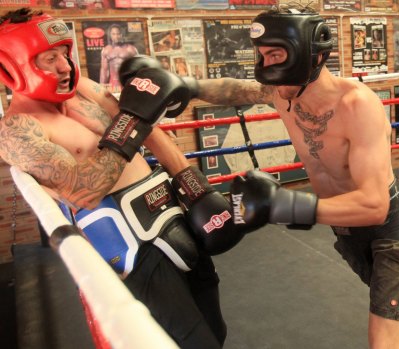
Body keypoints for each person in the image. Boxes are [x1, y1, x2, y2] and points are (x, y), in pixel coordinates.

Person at [169, 7, 399, 349]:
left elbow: (374, 205)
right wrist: (187, 86)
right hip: (345, 225)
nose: (266, 67)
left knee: (383, 330)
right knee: (394, 294)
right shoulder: (282, 92)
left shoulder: (356, 105)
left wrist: (283, 206)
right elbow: (235, 90)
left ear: (308, 53)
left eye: (275, 54)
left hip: (391, 225)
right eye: (262, 55)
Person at [0, 8, 241, 348]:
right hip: (131, 247)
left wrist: (194, 186)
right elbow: (82, 190)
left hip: (170, 214)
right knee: (193, 342)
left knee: (216, 331)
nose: (64, 67)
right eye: (48, 58)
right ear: (12, 67)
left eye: (65, 54)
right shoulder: (15, 130)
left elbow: (148, 128)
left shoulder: (84, 90)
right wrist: (132, 119)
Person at [99, 24, 138, 93]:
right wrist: (102, 87)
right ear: (110, 35)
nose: (116, 36)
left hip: (127, 83)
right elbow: (104, 70)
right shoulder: (106, 50)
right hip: (113, 84)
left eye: (118, 34)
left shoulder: (130, 49)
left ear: (122, 35)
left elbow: (138, 68)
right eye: (113, 34)